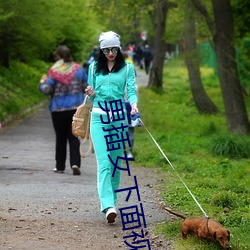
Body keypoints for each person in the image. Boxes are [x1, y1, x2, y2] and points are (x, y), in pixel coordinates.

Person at [85, 31, 138, 223]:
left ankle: (113, 201)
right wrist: (90, 92)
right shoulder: (93, 68)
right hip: (99, 117)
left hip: (118, 119)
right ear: (101, 50)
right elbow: (91, 97)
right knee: (104, 163)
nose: (110, 53)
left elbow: (131, 90)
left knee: (116, 163)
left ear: (119, 48)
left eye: (113, 49)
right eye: (106, 50)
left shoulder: (127, 68)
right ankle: (107, 205)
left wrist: (133, 104)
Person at [39, 45, 88, 175]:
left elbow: (47, 90)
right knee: (73, 137)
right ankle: (75, 163)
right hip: (75, 109)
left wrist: (42, 83)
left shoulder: (54, 71)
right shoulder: (79, 70)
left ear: (58, 57)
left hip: (58, 109)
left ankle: (60, 166)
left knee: (60, 138)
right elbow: (86, 87)